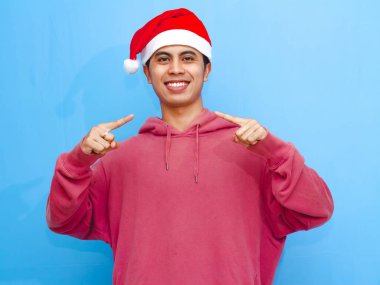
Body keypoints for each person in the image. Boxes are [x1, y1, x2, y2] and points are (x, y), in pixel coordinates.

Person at [46, 8, 334, 285]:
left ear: (206, 70)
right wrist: (78, 162)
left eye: (187, 58)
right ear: (147, 73)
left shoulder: (255, 153)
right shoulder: (119, 160)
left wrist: (277, 153)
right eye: (162, 59)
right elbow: (62, 220)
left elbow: (317, 209)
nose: (175, 69)